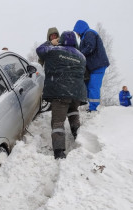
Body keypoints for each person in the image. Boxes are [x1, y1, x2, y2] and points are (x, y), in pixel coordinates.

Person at [36, 31, 87, 159]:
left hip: (60, 92)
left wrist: (50, 43)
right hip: (76, 93)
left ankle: (59, 152)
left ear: (61, 40)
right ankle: (77, 135)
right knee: (73, 112)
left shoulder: (54, 50)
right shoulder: (81, 56)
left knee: (58, 122)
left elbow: (39, 50)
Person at [73, 20, 110, 112]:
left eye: (76, 31)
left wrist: (79, 55)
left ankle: (94, 108)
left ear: (80, 28)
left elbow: (90, 47)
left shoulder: (89, 33)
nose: (76, 34)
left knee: (93, 86)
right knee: (90, 86)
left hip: (98, 65)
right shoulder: (85, 36)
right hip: (94, 66)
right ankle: (92, 106)